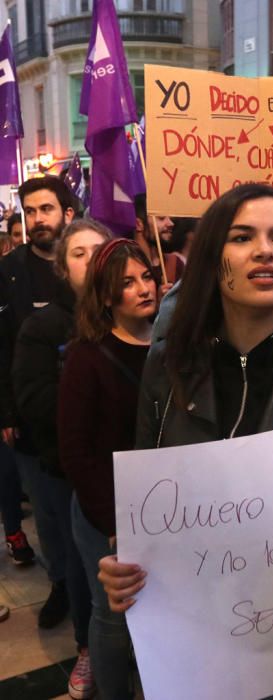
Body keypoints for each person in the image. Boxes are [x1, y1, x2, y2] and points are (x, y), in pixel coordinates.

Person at [98, 184, 273, 700]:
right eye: (242, 236)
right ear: (213, 257)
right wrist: (123, 567)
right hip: (189, 649)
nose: (264, 251)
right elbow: (141, 512)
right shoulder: (166, 367)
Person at [13, 218, 112, 699]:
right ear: (62, 267)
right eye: (79, 253)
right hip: (70, 469)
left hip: (127, 472)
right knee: (82, 567)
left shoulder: (133, 314)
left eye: (100, 250)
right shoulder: (44, 325)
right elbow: (34, 399)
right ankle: (86, 649)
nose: (92, 260)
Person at [58, 239, 157, 700]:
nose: (143, 288)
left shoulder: (170, 344)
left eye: (147, 277)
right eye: (128, 283)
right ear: (106, 295)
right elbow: (76, 452)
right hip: (106, 510)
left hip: (162, 504)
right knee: (113, 613)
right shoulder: (87, 356)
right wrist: (113, 522)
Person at [0, 175, 75, 628]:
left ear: (68, 213)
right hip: (28, 419)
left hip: (85, 414)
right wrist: (6, 411)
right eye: (29, 212)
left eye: (45, 210)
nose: (36, 220)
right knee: (47, 514)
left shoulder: (87, 264)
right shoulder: (8, 273)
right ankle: (62, 584)